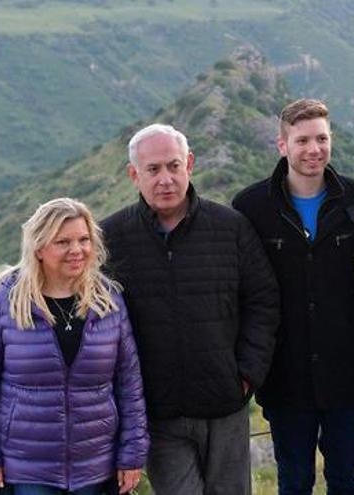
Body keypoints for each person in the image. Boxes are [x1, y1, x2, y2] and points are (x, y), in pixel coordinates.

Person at [100, 124, 280, 495]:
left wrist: (247, 373)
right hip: (158, 410)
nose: (165, 179)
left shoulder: (230, 228)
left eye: (173, 166)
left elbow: (262, 300)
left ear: (190, 165)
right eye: (153, 170)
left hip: (226, 402)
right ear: (134, 175)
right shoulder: (111, 237)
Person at [232, 99, 354, 495]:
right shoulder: (251, 206)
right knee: (294, 481)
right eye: (303, 140)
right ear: (282, 145)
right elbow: (239, 287)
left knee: (346, 479)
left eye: (322, 139)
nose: (314, 149)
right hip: (284, 373)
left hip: (347, 371)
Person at [0, 198, 149, 495]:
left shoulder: (109, 300)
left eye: (83, 240)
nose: (76, 250)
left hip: (96, 466)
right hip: (26, 469)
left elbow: (129, 384)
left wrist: (132, 454)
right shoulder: (7, 300)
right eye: (63, 242)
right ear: (39, 248)